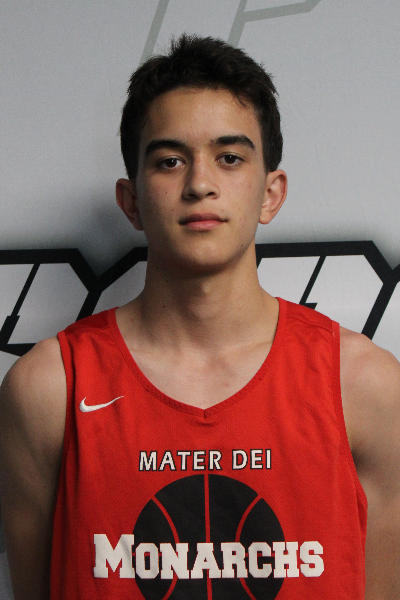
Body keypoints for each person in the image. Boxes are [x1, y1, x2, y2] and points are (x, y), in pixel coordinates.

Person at [0, 34, 399, 600]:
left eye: (230, 158)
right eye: (170, 161)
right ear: (131, 201)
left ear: (271, 193)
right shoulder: (48, 389)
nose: (200, 184)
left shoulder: (364, 386)